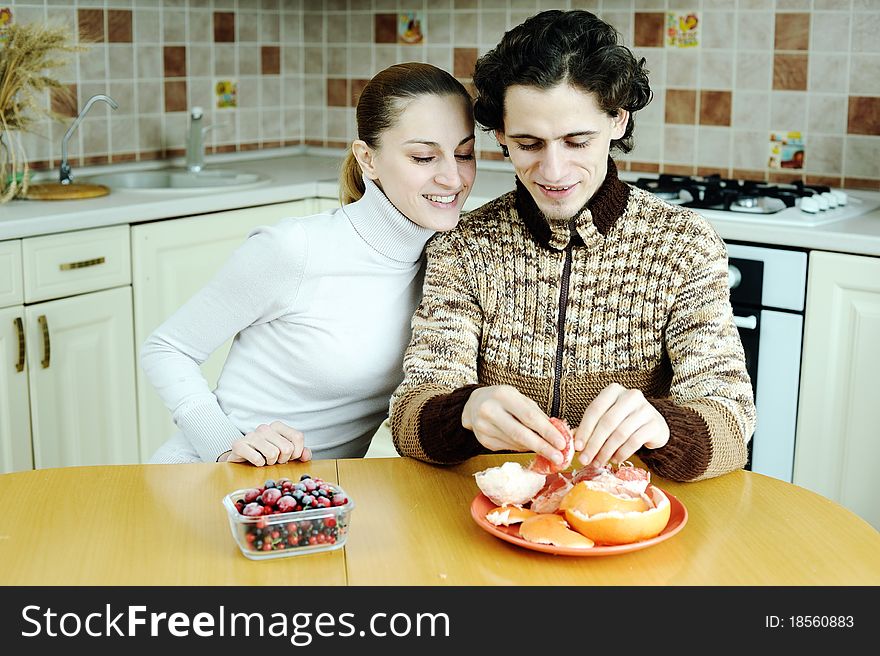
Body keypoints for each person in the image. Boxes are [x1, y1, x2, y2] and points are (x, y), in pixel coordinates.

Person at [388, 10, 756, 482]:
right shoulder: (464, 246)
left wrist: (665, 427)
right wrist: (464, 411)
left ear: (618, 121)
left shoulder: (683, 244)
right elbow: (408, 417)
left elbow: (731, 421)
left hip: (629, 518)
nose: (554, 171)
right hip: (495, 518)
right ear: (500, 135)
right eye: (528, 144)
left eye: (577, 141)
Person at [141, 62, 476, 466]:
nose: (453, 178)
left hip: (320, 498)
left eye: (464, 153)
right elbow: (167, 348)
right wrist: (225, 444)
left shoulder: (452, 263)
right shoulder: (295, 249)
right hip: (214, 477)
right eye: (424, 157)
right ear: (367, 160)